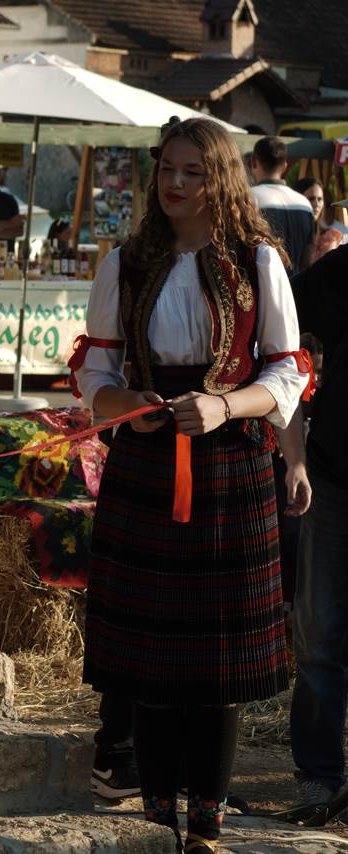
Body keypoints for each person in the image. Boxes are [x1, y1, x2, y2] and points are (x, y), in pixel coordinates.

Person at [73, 118, 309, 853]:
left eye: (192, 173)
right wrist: (126, 410)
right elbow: (95, 373)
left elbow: (289, 369)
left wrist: (223, 405)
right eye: (166, 169)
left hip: (231, 461)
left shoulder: (256, 259)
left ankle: (205, 823)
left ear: (221, 180)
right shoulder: (126, 261)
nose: (175, 184)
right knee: (148, 656)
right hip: (147, 461)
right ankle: (155, 816)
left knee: (216, 660)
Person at [288, 244, 348, 816]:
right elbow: (282, 316)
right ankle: (318, 778)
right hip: (337, 475)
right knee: (319, 638)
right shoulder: (345, 269)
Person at [249, 136, 313, 276]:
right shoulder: (305, 204)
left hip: (262, 290)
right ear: (284, 166)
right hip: (296, 289)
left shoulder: (248, 199)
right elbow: (307, 259)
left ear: (254, 163)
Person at [293, 177, 345, 267]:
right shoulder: (288, 233)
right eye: (311, 199)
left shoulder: (331, 237)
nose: (316, 204)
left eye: (320, 199)